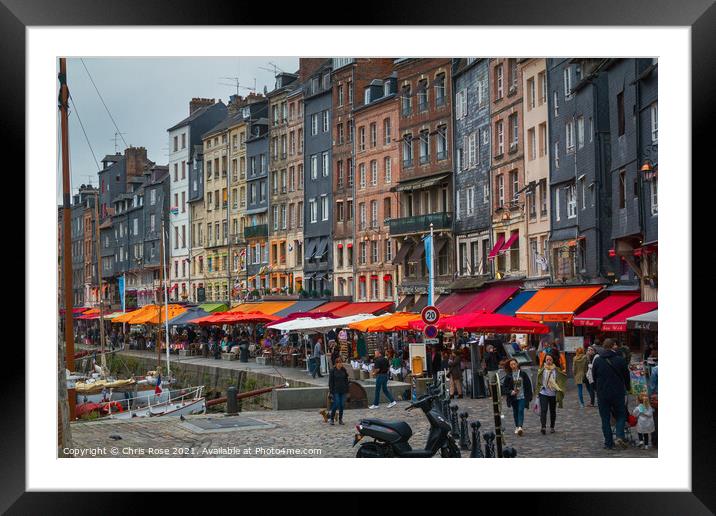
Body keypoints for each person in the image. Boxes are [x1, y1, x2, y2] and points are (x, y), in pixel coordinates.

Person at [592, 338, 631, 449]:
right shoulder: (620, 360)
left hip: (602, 394)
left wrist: (597, 389)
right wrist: (627, 388)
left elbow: (594, 376)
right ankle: (619, 436)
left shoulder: (598, 360)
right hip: (617, 393)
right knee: (621, 414)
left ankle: (608, 443)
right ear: (613, 346)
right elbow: (626, 377)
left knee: (605, 419)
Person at [534, 354, 566, 434]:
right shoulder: (542, 370)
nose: (548, 361)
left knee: (552, 411)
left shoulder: (556, 370)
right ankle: (543, 427)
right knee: (543, 410)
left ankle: (552, 426)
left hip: (553, 393)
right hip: (543, 392)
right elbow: (538, 381)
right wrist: (538, 391)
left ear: (553, 361)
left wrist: (560, 389)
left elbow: (561, 380)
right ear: (545, 360)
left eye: (550, 360)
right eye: (547, 359)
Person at [502, 358, 533, 436]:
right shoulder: (508, 376)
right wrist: (510, 392)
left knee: (520, 410)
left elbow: (528, 385)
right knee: (515, 412)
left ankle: (520, 427)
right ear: (509, 366)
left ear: (517, 364)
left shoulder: (523, 374)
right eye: (511, 364)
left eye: (514, 364)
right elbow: (504, 387)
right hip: (513, 397)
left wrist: (529, 396)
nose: (513, 366)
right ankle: (517, 426)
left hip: (522, 396)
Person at [327, 357, 350, 425]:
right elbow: (330, 382)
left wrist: (347, 391)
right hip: (335, 390)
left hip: (343, 390)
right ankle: (332, 418)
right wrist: (331, 391)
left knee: (342, 405)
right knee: (336, 403)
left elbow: (346, 381)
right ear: (336, 363)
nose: (340, 364)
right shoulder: (332, 371)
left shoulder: (344, 370)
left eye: (341, 363)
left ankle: (340, 419)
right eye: (339, 363)